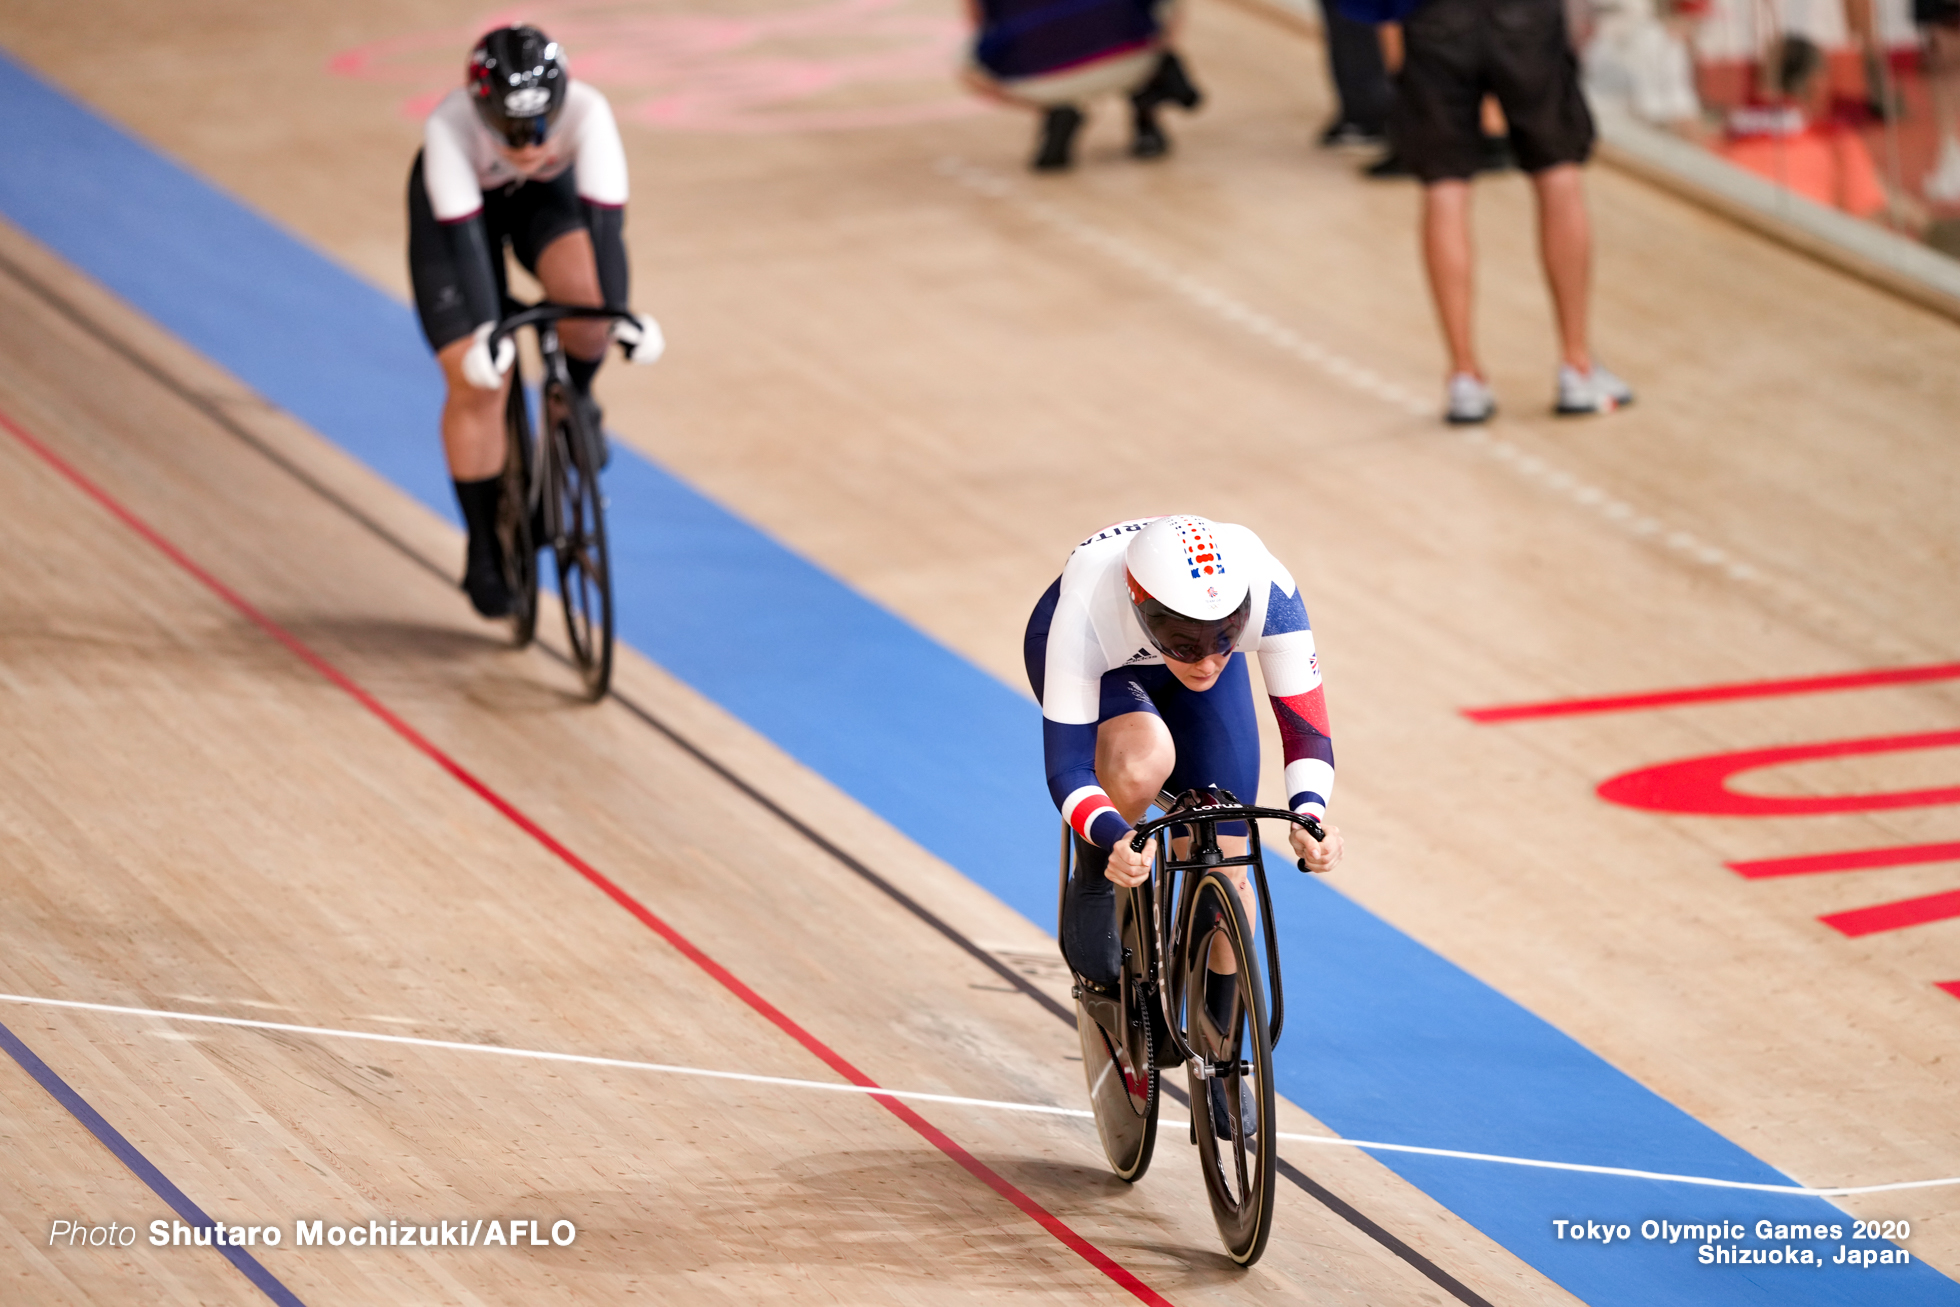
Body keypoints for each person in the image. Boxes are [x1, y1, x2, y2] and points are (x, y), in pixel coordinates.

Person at [1025, 515, 1344, 1128]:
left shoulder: (1270, 596)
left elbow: (1306, 731)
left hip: (1164, 647)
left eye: (1225, 639)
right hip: (1106, 664)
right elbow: (1066, 768)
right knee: (1145, 760)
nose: (1207, 661)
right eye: (1186, 643)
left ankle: (1222, 1051)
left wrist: (1310, 814)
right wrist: (1113, 836)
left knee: (1230, 840)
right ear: (1145, 614)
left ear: (1242, 615)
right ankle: (1096, 877)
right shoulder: (1089, 604)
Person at [408, 25, 663, 618]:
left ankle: (575, 397)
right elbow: (470, 248)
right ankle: (482, 543)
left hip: (542, 202)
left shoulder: (589, 113)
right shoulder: (448, 129)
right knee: (480, 384)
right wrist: (486, 334)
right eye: (511, 131)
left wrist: (618, 317)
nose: (528, 145)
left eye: (540, 127)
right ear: (480, 111)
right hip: (458, 223)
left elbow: (605, 230)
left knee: (587, 309)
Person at [1388, 0, 1634, 422]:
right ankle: (1576, 365)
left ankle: (1465, 378)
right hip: (1525, 17)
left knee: (1444, 187)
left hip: (1433, 18)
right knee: (1558, 171)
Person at [963, 0, 1204, 170]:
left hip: (1041, 79)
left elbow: (981, 24)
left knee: (967, 66)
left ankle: (1057, 109)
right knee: (1166, 8)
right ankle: (1153, 80)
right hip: (1129, 59)